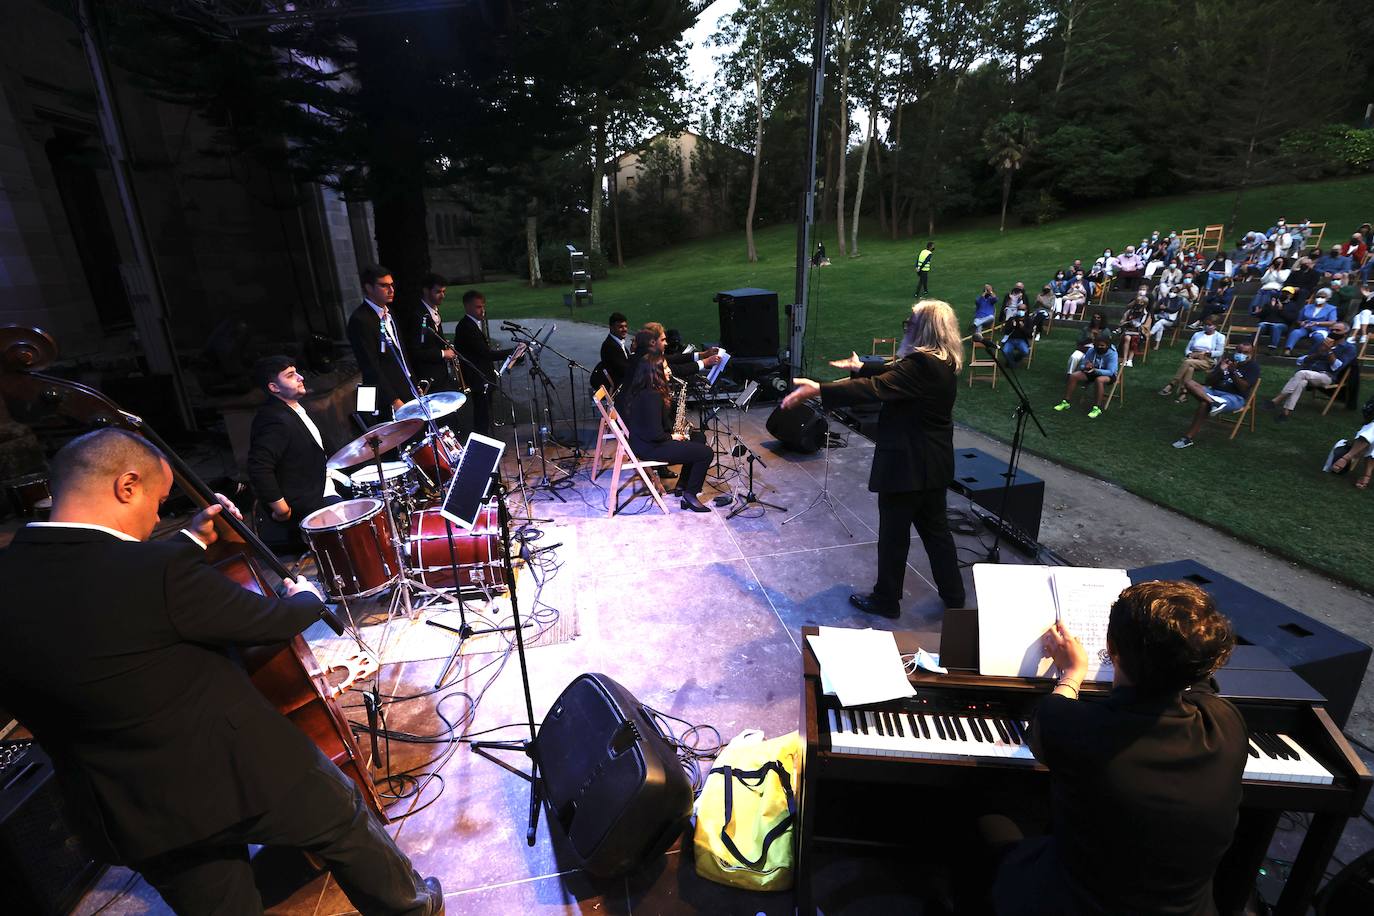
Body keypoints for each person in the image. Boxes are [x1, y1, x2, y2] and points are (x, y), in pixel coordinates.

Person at [0, 429, 442, 915]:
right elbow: (269, 622)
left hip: (127, 807)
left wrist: (193, 538)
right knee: (343, 820)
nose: (154, 517)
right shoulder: (154, 570)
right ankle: (413, 909)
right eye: (157, 500)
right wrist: (309, 596)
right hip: (239, 771)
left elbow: (102, 597)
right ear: (127, 486)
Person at [986, 581, 1245, 915]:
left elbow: (1049, 717)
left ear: (1112, 648)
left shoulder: (1074, 727)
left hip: (1071, 905)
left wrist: (1072, 672)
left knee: (987, 816)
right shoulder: (1228, 723)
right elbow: (1204, 689)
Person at [783, 300, 965, 617]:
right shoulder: (942, 364)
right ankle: (955, 595)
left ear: (923, 328)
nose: (906, 326)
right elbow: (894, 373)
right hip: (933, 465)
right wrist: (862, 366)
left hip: (907, 466)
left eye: (910, 322)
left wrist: (819, 390)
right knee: (937, 533)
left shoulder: (920, 366)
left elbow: (875, 388)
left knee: (894, 536)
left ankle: (886, 600)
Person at [247, 356, 344, 550]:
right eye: (291, 375)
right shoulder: (274, 419)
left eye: (296, 372)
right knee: (352, 536)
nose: (300, 377)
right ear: (274, 387)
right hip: (308, 499)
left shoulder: (296, 409)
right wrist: (280, 509)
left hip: (323, 483)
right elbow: (258, 467)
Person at [615, 350, 714, 512]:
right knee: (706, 453)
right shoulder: (652, 396)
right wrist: (673, 436)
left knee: (698, 438)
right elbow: (655, 434)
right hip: (650, 447)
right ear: (654, 373)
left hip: (643, 442)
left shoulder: (645, 389)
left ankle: (682, 486)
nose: (669, 371)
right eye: (665, 368)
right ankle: (691, 494)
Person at [452, 289, 523, 437]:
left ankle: (486, 439)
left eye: (483, 306)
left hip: (483, 376)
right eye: (478, 307)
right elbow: (485, 354)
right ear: (467, 307)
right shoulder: (466, 327)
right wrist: (511, 352)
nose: (482, 310)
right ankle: (482, 442)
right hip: (477, 377)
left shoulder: (473, 324)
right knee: (482, 415)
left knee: (485, 412)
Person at [346, 265, 413, 418]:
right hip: (385, 398)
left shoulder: (389, 313)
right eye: (384, 285)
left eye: (392, 285)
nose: (391, 290)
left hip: (405, 388)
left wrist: (414, 386)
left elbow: (401, 354)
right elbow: (370, 366)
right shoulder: (360, 320)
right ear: (369, 288)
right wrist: (394, 400)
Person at [1172, 342, 1260, 449]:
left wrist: (1232, 373)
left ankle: (1188, 438)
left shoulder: (1253, 367)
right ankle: (1213, 403)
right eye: (1239, 351)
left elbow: (1243, 387)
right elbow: (1209, 381)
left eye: (1246, 352)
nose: (1241, 354)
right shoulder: (1227, 361)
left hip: (1234, 397)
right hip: (1214, 392)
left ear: (1252, 353)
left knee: (1204, 404)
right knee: (1189, 383)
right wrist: (1220, 370)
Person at [1264, 324, 1356, 421]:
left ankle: (1276, 400)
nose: (1333, 332)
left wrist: (1328, 351)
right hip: (1310, 372)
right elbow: (1302, 360)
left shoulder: (1349, 348)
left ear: (1345, 334)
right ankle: (1285, 413)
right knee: (1301, 382)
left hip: (1326, 376)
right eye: (1332, 329)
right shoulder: (1322, 343)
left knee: (1301, 373)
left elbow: (1337, 367)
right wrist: (1318, 353)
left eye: (1337, 330)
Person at [1160, 317, 1226, 401]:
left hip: (1207, 360)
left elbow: (1220, 352)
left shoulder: (1220, 337)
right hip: (1193, 357)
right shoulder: (1197, 334)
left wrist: (1207, 353)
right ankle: (1184, 393)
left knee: (1187, 363)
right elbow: (1188, 348)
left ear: (1215, 326)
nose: (1207, 326)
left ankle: (1172, 384)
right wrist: (1189, 354)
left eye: (1210, 325)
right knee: (1190, 368)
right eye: (1205, 324)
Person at [1053, 334, 1118, 419]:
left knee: (1099, 380)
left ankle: (1097, 408)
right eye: (1097, 345)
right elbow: (1082, 365)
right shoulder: (1091, 350)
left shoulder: (1112, 354)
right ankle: (1066, 402)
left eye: (1102, 345)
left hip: (1107, 374)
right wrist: (1086, 366)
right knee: (1074, 376)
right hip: (1092, 371)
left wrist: (1096, 370)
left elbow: (1110, 371)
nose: (1099, 347)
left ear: (1107, 345)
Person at [1282, 290, 1338, 356]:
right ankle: (1287, 350)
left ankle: (1311, 355)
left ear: (1327, 298)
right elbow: (1299, 320)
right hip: (1306, 328)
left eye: (1322, 297)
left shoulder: (1331, 309)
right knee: (1295, 332)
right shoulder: (1307, 307)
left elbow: (1332, 322)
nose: (1319, 299)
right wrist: (1301, 323)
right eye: (1318, 297)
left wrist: (1317, 323)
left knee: (1319, 338)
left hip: (1320, 329)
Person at [593, 311, 632, 392]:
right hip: (619, 390)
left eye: (625, 326)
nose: (624, 329)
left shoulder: (618, 342)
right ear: (611, 328)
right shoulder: (610, 346)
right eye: (620, 327)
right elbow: (625, 371)